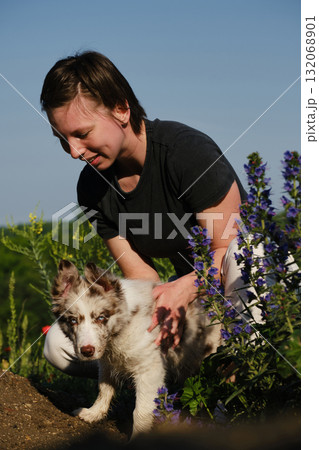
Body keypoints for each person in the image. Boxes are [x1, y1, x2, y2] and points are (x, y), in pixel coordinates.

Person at [41, 51, 256, 377]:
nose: (73, 152)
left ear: (121, 109)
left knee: (245, 253)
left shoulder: (187, 153)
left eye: (82, 134)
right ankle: (172, 383)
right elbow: (142, 278)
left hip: (239, 292)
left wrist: (184, 289)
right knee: (58, 345)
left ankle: (251, 380)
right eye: (63, 140)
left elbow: (227, 251)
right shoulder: (92, 188)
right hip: (183, 301)